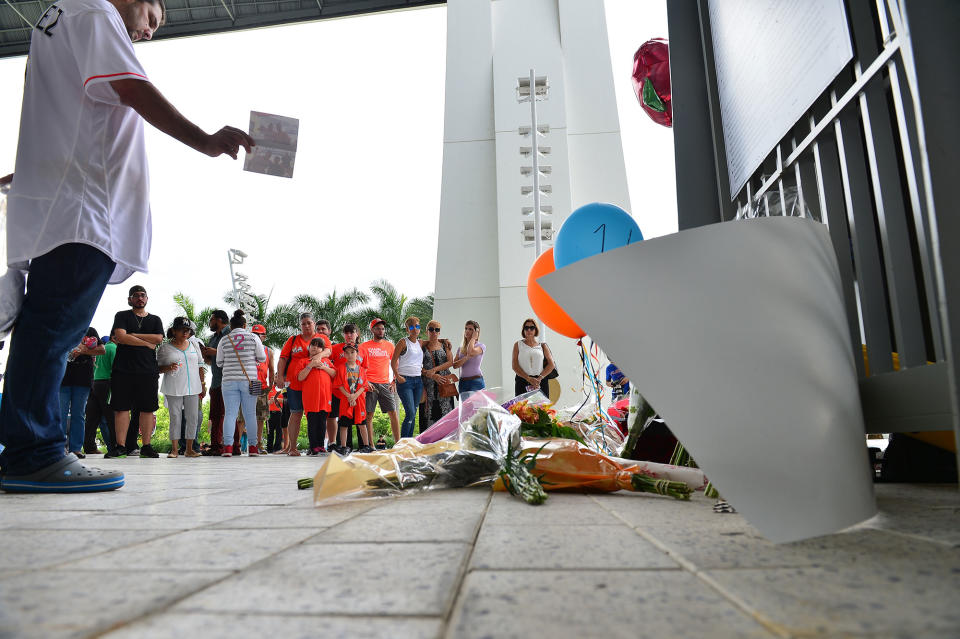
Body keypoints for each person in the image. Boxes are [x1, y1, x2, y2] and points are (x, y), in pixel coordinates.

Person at [0, 0, 254, 492]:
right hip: (84, 211)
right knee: (52, 332)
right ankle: (35, 453)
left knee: (42, 329)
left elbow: (57, 121)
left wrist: (26, 174)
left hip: (62, 203)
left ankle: (24, 450)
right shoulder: (96, 13)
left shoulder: (55, 20)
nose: (149, 33)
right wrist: (204, 139)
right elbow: (132, 88)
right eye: (153, 19)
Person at [111, 285, 165, 458]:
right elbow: (120, 336)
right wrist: (147, 342)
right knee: (121, 408)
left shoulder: (155, 319)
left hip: (148, 370)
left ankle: (146, 446)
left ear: (147, 299)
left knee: (147, 409)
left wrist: (133, 335)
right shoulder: (122, 315)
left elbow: (158, 338)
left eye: (143, 295)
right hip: (123, 370)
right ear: (130, 299)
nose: (140, 298)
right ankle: (120, 446)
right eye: (136, 296)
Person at [276, 313, 330, 455]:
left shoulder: (321, 338)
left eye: (309, 323)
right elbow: (283, 358)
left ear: (314, 324)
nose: (306, 326)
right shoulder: (293, 339)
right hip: (295, 383)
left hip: (315, 385)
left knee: (317, 416)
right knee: (295, 413)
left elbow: (328, 351)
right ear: (300, 325)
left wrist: (316, 357)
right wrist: (280, 376)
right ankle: (292, 447)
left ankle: (318, 446)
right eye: (303, 323)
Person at [215, 310, 266, 456]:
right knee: (250, 414)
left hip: (229, 380)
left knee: (230, 414)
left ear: (231, 327)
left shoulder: (224, 340)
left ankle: (228, 448)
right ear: (244, 325)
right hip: (250, 380)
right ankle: (253, 447)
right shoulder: (253, 337)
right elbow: (262, 358)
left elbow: (219, 362)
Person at [157, 317, 203, 457]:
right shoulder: (165, 348)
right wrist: (168, 367)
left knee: (193, 417)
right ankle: (175, 449)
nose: (185, 333)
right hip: (174, 387)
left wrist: (203, 383)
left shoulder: (194, 345)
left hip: (193, 387)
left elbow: (200, 364)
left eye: (188, 330)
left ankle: (189, 449)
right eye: (182, 330)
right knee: (175, 417)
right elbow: (157, 368)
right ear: (174, 331)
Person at [60, 327, 105, 459]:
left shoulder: (90, 331)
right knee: (60, 414)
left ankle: (76, 449)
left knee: (78, 414)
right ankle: (59, 448)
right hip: (62, 378)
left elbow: (102, 350)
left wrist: (82, 350)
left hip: (83, 379)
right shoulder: (62, 330)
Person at [360, 318, 400, 442]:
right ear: (372, 330)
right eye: (378, 328)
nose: (381, 331)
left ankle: (398, 443)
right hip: (370, 384)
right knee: (369, 415)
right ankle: (371, 445)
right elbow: (359, 366)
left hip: (385, 384)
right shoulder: (364, 346)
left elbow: (395, 364)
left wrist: (394, 381)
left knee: (393, 412)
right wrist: (365, 382)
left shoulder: (389, 345)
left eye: (382, 328)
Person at [199, 309, 231, 456]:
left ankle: (230, 446)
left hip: (229, 380)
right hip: (216, 381)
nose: (210, 323)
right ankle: (216, 446)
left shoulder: (230, 333)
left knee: (226, 415)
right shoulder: (213, 338)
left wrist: (215, 352)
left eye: (211, 320)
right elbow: (212, 362)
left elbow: (233, 354)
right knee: (215, 415)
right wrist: (205, 355)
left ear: (219, 320)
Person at [298, 337, 335, 455]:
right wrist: (311, 365)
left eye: (319, 346)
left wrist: (323, 367)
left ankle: (321, 445)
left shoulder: (327, 361)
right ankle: (313, 446)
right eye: (313, 345)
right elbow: (300, 377)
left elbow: (334, 373)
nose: (315, 347)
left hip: (325, 397)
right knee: (312, 421)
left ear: (322, 349)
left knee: (322, 421)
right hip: (311, 398)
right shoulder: (304, 361)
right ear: (308, 348)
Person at [329, 323, 362, 450]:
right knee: (343, 419)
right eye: (346, 333)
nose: (349, 335)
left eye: (352, 332)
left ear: (357, 334)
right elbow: (325, 358)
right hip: (340, 391)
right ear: (343, 335)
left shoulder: (362, 349)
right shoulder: (336, 348)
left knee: (360, 419)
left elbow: (365, 369)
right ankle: (343, 446)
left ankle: (363, 446)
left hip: (357, 392)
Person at [392, 316, 424, 440]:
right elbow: (393, 361)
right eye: (411, 327)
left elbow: (433, 341)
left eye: (417, 326)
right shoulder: (403, 342)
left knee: (413, 413)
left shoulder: (420, 342)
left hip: (418, 381)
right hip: (405, 381)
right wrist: (397, 376)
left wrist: (445, 341)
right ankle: (404, 443)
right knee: (410, 412)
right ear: (407, 329)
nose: (415, 329)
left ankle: (409, 442)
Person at [85, 331, 117, 456]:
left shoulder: (101, 349)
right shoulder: (113, 348)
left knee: (92, 418)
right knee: (111, 417)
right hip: (107, 383)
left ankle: (88, 446)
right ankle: (115, 446)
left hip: (95, 383)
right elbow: (116, 368)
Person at [334, 343, 369, 454]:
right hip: (346, 400)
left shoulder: (362, 370)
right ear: (344, 354)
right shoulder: (341, 368)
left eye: (352, 352)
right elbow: (339, 385)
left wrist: (354, 396)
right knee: (344, 424)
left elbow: (364, 386)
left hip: (359, 400)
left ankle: (366, 445)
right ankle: (344, 446)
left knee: (362, 424)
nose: (350, 355)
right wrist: (349, 396)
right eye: (347, 353)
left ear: (357, 354)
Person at [420, 320, 455, 431]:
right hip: (429, 385)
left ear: (439, 332)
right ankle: (429, 442)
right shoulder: (421, 347)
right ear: (427, 331)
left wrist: (434, 370)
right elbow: (417, 367)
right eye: (431, 329)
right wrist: (432, 375)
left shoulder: (445, 345)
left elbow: (450, 362)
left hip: (444, 384)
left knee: (446, 412)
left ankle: (447, 441)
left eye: (437, 329)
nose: (434, 332)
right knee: (429, 414)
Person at [512, 318, 557, 398]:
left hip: (540, 382)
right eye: (526, 328)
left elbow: (551, 364)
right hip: (522, 380)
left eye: (532, 328)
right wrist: (528, 378)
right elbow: (514, 365)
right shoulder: (518, 344)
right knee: (522, 409)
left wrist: (539, 378)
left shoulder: (542, 346)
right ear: (523, 330)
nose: (529, 330)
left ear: (536, 330)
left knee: (541, 409)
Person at [250, 324, 274, 450]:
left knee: (261, 417)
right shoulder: (247, 348)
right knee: (242, 416)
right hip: (248, 384)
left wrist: (270, 385)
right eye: (253, 334)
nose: (255, 337)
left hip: (261, 386)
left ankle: (258, 443)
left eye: (258, 335)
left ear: (264, 336)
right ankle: (237, 444)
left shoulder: (268, 351)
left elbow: (271, 369)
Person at [453, 320, 486, 401]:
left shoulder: (481, 346)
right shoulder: (460, 348)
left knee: (478, 411)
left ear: (476, 332)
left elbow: (470, 351)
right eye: (466, 328)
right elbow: (455, 365)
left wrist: (474, 338)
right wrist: (467, 357)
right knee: (465, 411)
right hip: (463, 383)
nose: (467, 331)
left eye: (470, 329)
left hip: (476, 381)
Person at [266, 387, 284, 453]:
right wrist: (269, 402)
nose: (275, 378)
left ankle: (277, 448)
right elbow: (264, 402)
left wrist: (278, 399)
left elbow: (286, 400)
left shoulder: (282, 389)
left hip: (279, 412)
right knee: (269, 432)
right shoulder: (269, 389)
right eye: (274, 376)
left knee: (279, 431)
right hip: (270, 413)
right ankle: (269, 448)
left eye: (276, 376)